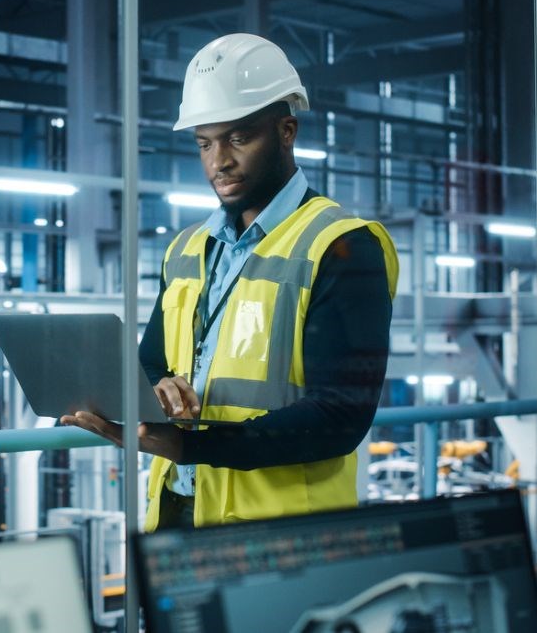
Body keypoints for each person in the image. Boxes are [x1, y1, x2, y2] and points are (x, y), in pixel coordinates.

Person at [61, 33, 398, 531]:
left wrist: (188, 445)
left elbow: (339, 418)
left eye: (238, 138)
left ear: (286, 130)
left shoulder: (342, 247)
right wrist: (159, 389)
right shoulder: (187, 249)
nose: (219, 161)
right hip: (179, 510)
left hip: (283, 532)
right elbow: (152, 359)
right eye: (205, 143)